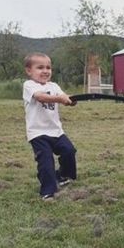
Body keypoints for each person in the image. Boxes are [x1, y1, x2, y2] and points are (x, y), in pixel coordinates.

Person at [23, 52, 77, 201]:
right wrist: (60, 99)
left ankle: (63, 175)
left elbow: (64, 97)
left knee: (69, 150)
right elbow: (40, 97)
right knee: (46, 161)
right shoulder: (29, 85)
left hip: (56, 131)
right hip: (38, 133)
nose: (45, 71)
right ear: (29, 70)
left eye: (48, 67)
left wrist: (71, 100)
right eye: (40, 67)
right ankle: (47, 192)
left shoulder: (54, 86)